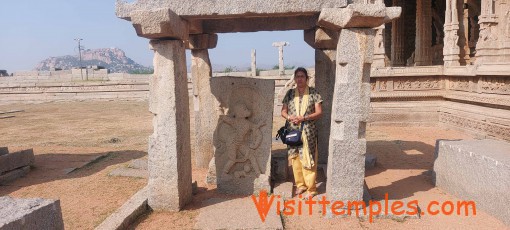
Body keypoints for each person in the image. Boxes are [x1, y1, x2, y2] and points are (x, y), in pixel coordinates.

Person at [281, 67, 323, 198]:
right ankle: (300, 185)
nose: (299, 79)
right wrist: (289, 117)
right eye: (297, 76)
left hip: (308, 131)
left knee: (307, 158)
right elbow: (283, 111)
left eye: (302, 76)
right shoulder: (289, 94)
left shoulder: (314, 93)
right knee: (295, 158)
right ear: (294, 79)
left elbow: (319, 112)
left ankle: (311, 188)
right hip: (292, 130)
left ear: (306, 78)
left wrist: (303, 118)